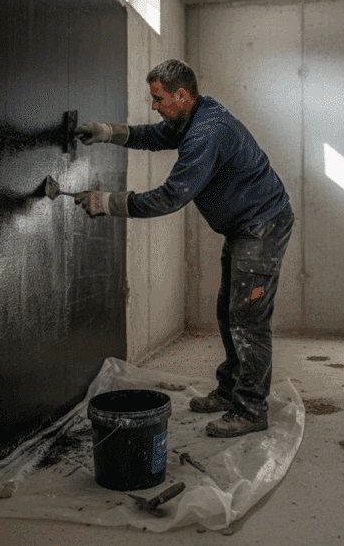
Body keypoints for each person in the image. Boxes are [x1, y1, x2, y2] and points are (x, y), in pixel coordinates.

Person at [73, 58, 294, 438]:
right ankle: (230, 391)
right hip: (245, 227)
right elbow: (157, 136)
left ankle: (251, 409)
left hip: (262, 227)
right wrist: (108, 132)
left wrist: (107, 203)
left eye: (158, 99)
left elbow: (171, 197)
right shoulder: (195, 115)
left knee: (248, 318)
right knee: (229, 312)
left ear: (181, 95)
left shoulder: (206, 133)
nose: (155, 106)